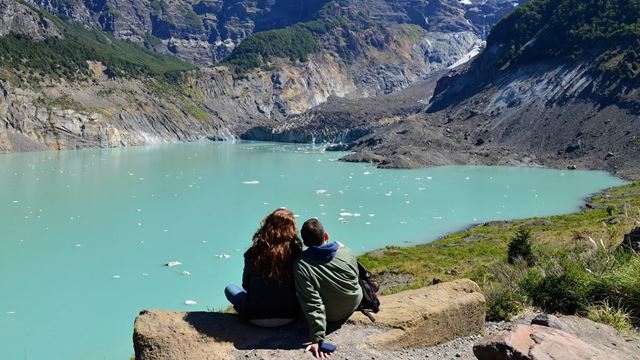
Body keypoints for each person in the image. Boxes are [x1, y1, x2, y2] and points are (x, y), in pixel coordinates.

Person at [294, 218, 363, 358]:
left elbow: (313, 303)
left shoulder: (302, 265)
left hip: (332, 315)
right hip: (355, 301)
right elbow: (355, 276)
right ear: (326, 236)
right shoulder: (345, 251)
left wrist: (317, 339)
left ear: (305, 242)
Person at [224, 208, 303, 327]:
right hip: (289, 315)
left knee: (230, 288)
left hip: (254, 316)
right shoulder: (296, 254)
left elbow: (246, 285)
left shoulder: (253, 253)